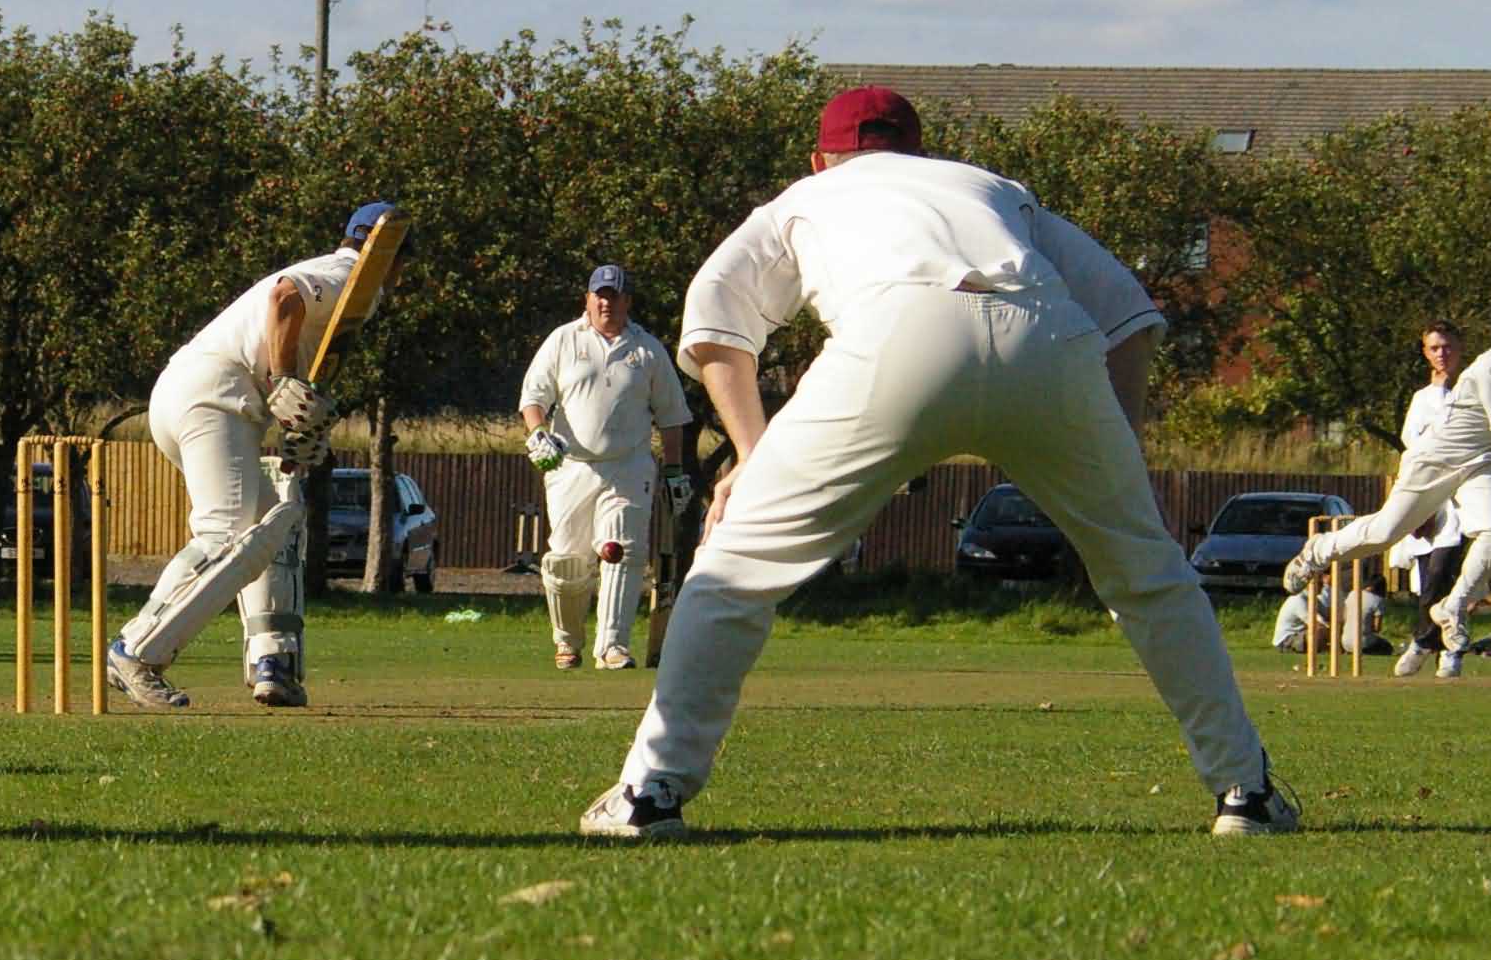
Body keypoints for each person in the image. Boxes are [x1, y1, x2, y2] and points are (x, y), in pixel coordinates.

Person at [581, 87, 1295, 840]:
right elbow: (1130, 316)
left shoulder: (808, 195)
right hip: (1044, 333)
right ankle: (1244, 792)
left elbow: (715, 314)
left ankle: (650, 795)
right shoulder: (990, 188)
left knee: (734, 573)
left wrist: (753, 458)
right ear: (920, 152)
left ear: (820, 158)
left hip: (899, 332)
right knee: (1150, 575)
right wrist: (1116, 449)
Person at [105, 202, 400, 712]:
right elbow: (285, 296)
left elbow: (304, 347)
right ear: (394, 257)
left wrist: (295, 423)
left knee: (273, 523)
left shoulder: (350, 287)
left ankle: (274, 666)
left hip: (198, 394)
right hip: (214, 395)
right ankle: (136, 649)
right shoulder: (349, 271)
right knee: (227, 532)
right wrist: (284, 380)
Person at [1286, 307, 1491, 680]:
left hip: (1480, 464)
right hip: (1435, 460)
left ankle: (1452, 607)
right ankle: (1317, 550)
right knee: (1385, 533)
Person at [520, 264, 693, 669]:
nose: (606, 302)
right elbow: (533, 398)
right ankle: (568, 642)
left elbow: (671, 416)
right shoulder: (563, 340)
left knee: (621, 550)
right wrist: (538, 433)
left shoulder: (647, 349)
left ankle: (612, 646)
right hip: (571, 466)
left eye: (614, 296)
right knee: (566, 562)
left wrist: (674, 471)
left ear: (627, 301)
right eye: (600, 294)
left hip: (628, 466)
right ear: (587, 298)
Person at [1384, 320, 1491, 681]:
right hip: (1430, 497)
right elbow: (1413, 451)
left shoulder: (1475, 389)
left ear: (1460, 350)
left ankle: (1441, 648)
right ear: (1425, 352)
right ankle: (1434, 643)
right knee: (1428, 579)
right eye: (1434, 348)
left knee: (1448, 576)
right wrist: (1419, 506)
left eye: (1447, 347)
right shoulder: (1420, 400)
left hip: (1465, 495)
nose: (1441, 354)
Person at [1271, 582, 1384, 656]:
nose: (1323, 586)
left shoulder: (1314, 600)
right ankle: (1333, 651)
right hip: (1287, 640)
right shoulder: (1298, 600)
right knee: (1320, 630)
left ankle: (1338, 649)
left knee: (1331, 628)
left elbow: (1329, 615)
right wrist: (1333, 629)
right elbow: (1314, 621)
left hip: (1301, 634)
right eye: (1320, 584)